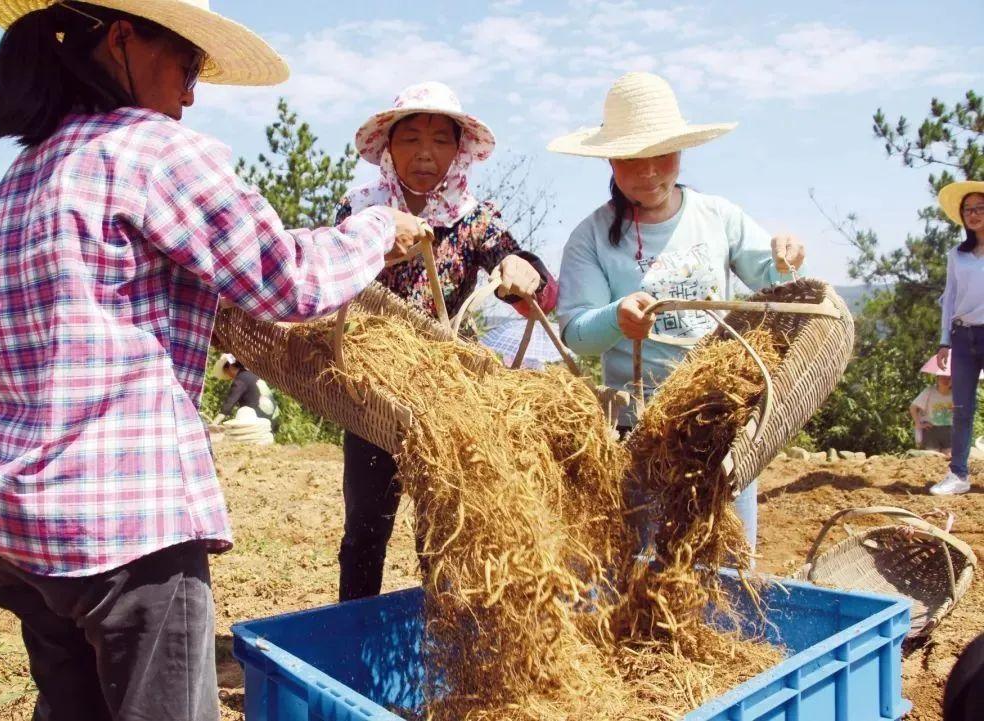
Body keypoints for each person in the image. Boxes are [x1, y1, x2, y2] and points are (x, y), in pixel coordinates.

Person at [0, 3, 431, 720]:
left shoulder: (27, 169)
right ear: (123, 39)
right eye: (188, 65)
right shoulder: (153, 149)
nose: (192, 94)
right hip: (121, 523)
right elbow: (288, 280)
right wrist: (377, 230)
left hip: (18, 525)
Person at [552, 72, 806, 551]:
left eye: (662, 154)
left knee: (726, 556)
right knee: (645, 559)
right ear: (610, 159)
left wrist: (787, 255)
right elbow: (577, 332)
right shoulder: (591, 238)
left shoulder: (717, 217)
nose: (649, 171)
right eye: (633, 157)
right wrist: (617, 318)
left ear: (682, 151)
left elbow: (777, 282)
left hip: (723, 419)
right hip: (639, 427)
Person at [335, 81, 560, 601]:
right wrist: (377, 248)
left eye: (440, 140)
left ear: (459, 151)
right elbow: (333, 274)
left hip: (440, 394)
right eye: (411, 139)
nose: (425, 153)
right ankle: (354, 628)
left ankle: (443, 631)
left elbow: (525, 273)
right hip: (368, 390)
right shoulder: (362, 210)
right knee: (365, 527)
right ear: (388, 147)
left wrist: (521, 273)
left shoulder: (473, 218)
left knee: (441, 529)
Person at [931, 180, 984, 495]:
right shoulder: (956, 255)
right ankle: (958, 475)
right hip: (963, 337)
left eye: (980, 208)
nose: (973, 214)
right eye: (968, 210)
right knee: (962, 408)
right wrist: (944, 340)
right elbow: (949, 298)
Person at [211, 353, 279, 431]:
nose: (228, 375)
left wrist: (214, 423)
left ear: (230, 367)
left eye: (226, 372)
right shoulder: (252, 375)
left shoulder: (240, 379)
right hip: (272, 419)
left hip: (259, 422)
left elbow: (229, 403)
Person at [910, 359, 954, 453]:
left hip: (949, 430)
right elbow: (913, 407)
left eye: (949, 378)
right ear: (937, 379)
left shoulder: (956, 394)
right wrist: (918, 424)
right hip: (931, 430)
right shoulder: (929, 391)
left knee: (950, 457)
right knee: (933, 457)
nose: (945, 380)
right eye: (942, 377)